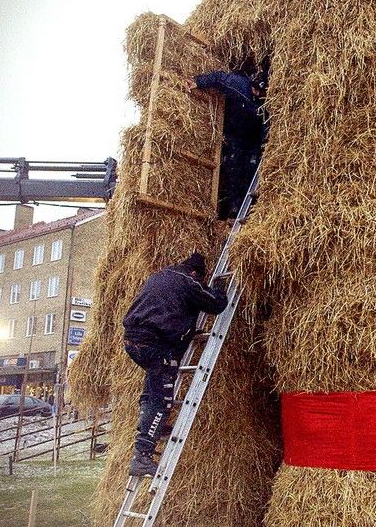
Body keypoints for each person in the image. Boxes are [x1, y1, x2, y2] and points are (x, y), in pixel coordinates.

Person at [123, 252, 229, 477]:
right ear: (194, 273)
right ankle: (142, 456)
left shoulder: (158, 276)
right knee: (162, 401)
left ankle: (153, 426)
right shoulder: (188, 281)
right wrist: (219, 288)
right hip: (155, 344)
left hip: (134, 341)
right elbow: (216, 304)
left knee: (153, 387)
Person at [189, 68, 269, 219]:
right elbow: (219, 78)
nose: (256, 93)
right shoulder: (239, 85)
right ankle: (235, 207)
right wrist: (198, 82)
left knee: (251, 169)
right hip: (236, 135)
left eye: (260, 91)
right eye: (255, 89)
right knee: (234, 167)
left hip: (252, 140)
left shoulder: (265, 101)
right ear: (250, 83)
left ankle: (251, 208)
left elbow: (266, 123)